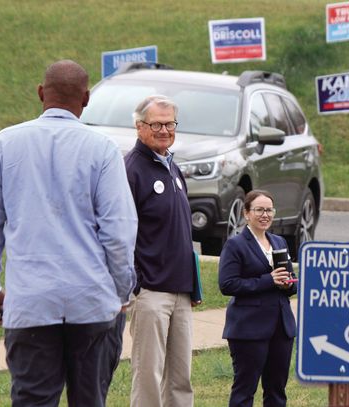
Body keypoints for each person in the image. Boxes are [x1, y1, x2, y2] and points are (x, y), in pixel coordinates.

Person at [0, 59, 138, 406]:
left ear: (40, 93)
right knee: (90, 399)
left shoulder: (6, 144)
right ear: (86, 99)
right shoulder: (103, 149)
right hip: (93, 302)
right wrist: (122, 290)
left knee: (32, 400)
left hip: (31, 302)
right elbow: (119, 231)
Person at [126, 95, 199, 407]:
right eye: (157, 124)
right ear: (140, 126)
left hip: (180, 291)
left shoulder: (171, 166)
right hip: (151, 292)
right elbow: (121, 233)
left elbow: (181, 233)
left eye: (170, 124)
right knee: (149, 378)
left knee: (181, 381)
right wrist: (136, 284)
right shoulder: (132, 169)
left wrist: (193, 285)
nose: (165, 130)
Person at [219, 189, 297, 407]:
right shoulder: (236, 245)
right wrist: (268, 280)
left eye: (269, 210)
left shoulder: (279, 242)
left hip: (281, 328)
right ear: (246, 213)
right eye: (259, 210)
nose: (265, 215)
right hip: (249, 328)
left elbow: (288, 279)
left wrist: (290, 283)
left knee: (277, 390)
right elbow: (227, 284)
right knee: (245, 389)